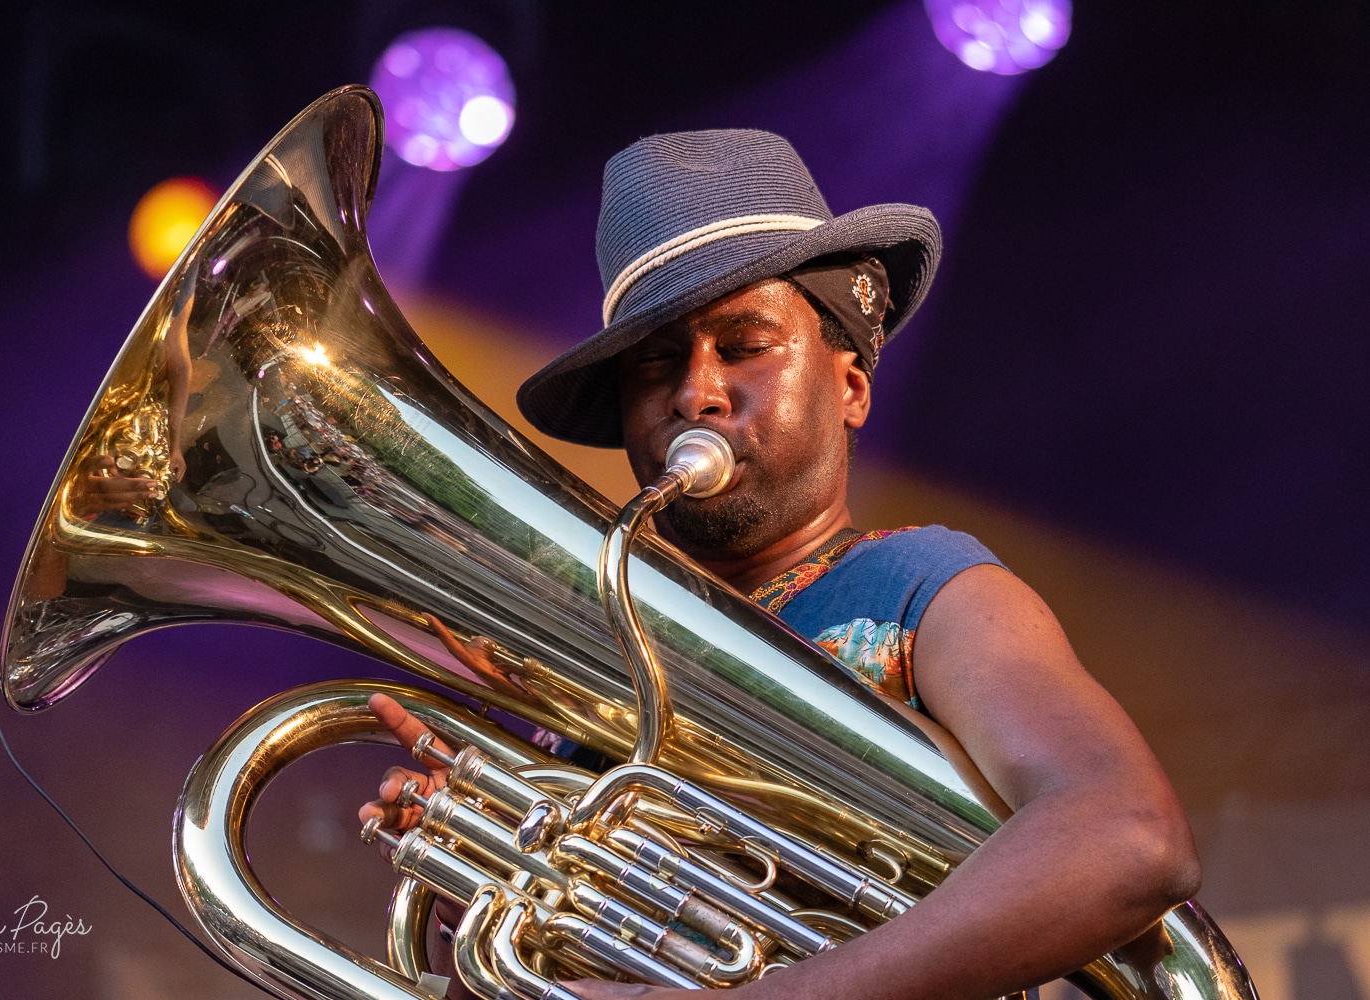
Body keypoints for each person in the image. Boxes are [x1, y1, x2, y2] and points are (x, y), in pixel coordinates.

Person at [358, 129, 1200, 999]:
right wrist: (493, 887)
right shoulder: (595, 674)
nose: (695, 391)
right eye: (656, 364)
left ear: (851, 388)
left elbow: (1128, 837)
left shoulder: (925, 587)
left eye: (743, 344)